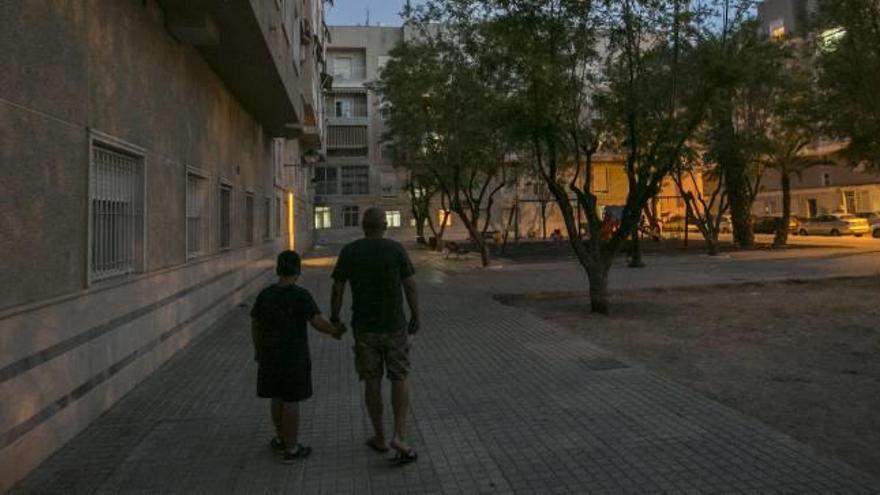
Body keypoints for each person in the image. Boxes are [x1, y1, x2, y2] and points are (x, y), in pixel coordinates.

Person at [331, 207, 421, 464]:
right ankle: (400, 436)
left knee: (372, 380)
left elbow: (337, 287)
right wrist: (416, 316)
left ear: (363, 226)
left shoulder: (350, 251)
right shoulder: (395, 250)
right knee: (399, 377)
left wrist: (335, 318)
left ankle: (380, 437)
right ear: (384, 225)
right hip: (394, 326)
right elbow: (410, 286)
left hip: (364, 329)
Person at [251, 250, 345, 464]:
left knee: (276, 397)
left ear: (278, 269)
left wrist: (258, 350)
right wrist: (334, 330)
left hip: (268, 356)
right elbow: (317, 322)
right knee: (291, 400)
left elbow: (255, 324)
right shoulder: (300, 295)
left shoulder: (265, 295)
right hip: (293, 357)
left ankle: (281, 438)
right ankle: (292, 449)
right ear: (297, 270)